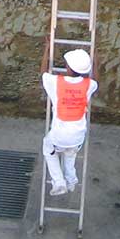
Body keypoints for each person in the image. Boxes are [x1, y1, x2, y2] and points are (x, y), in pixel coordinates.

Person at [41, 48, 96, 197]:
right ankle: (71, 181)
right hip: (78, 137)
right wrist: (96, 58)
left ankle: (59, 182)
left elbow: (43, 72)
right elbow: (95, 79)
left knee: (48, 149)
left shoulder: (55, 82)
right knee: (69, 155)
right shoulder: (89, 85)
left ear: (68, 68)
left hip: (59, 136)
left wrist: (47, 49)